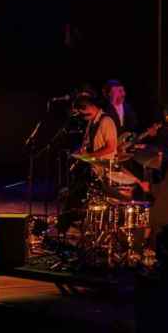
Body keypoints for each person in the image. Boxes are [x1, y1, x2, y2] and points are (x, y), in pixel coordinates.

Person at [58, 95, 120, 233]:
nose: (82, 117)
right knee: (71, 196)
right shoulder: (92, 122)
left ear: (89, 107)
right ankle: (66, 229)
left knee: (74, 198)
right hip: (92, 168)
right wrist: (80, 153)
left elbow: (111, 147)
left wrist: (89, 156)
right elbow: (88, 145)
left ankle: (65, 228)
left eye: (82, 113)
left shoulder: (106, 121)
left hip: (102, 171)